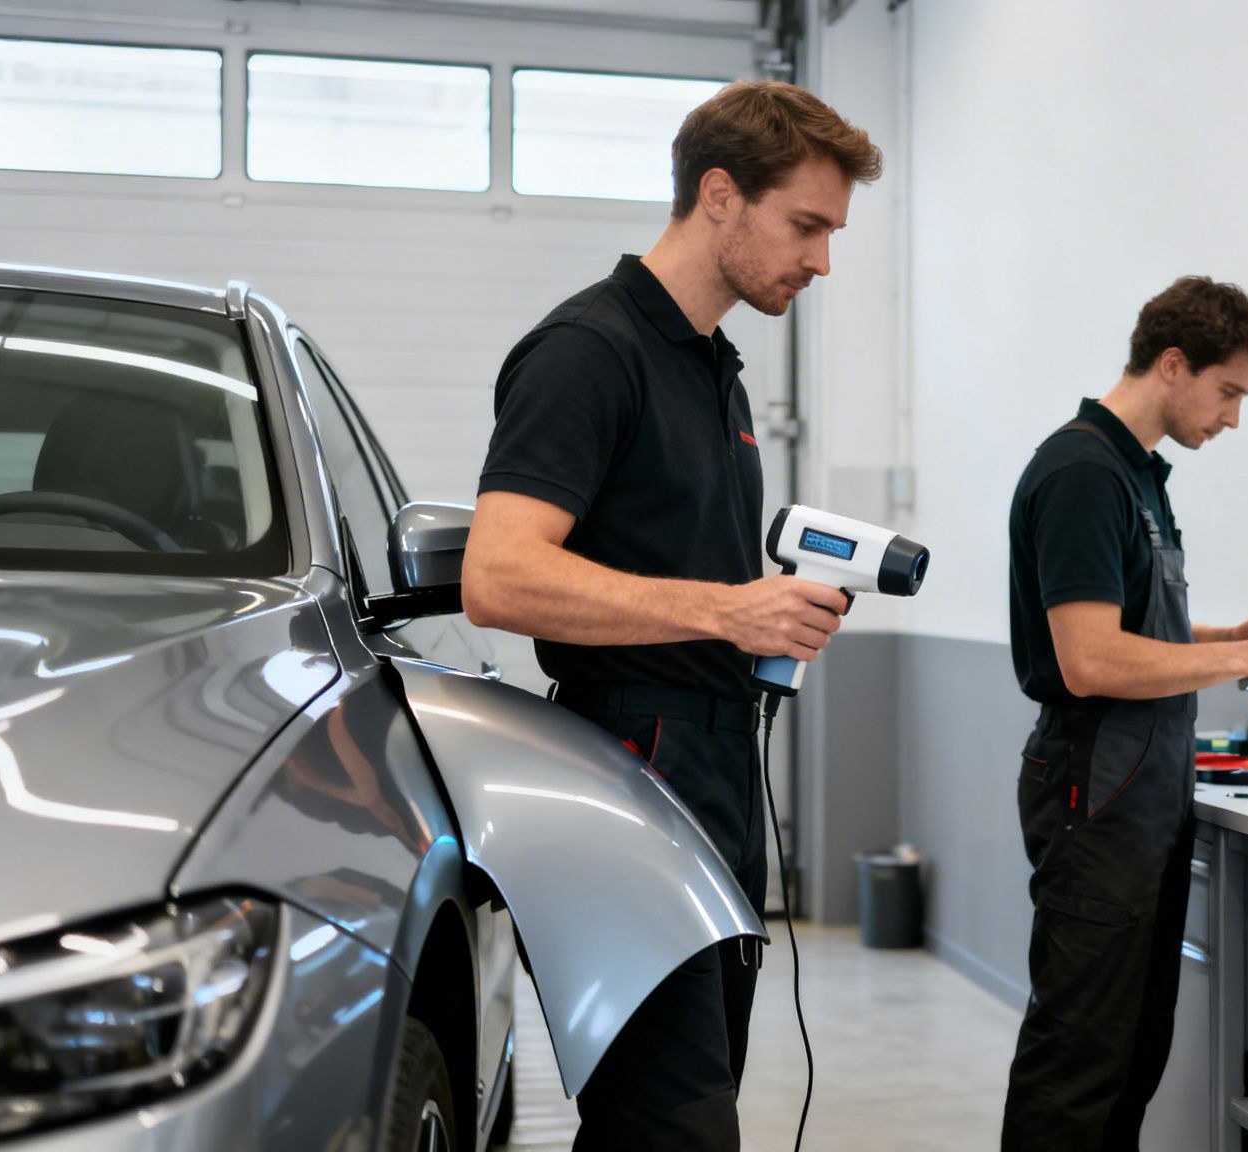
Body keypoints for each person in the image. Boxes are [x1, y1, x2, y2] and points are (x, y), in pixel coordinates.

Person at [460, 81, 881, 1150]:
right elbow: (498, 577)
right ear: (720, 196)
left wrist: (758, 618)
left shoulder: (717, 370)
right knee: (672, 1123)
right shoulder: (588, 353)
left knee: (686, 1104)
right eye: (807, 227)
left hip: (718, 770)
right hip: (629, 765)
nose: (821, 261)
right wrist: (727, 611)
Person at [1002, 276, 1248, 1150]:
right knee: (1079, 1062)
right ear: (1173, 365)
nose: (1232, 418)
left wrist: (1228, 629)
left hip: (1139, 793)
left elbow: (1124, 622)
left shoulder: (1137, 474)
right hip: (1096, 791)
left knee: (1131, 1052)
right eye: (1228, 392)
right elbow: (1090, 659)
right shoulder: (1081, 473)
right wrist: (1241, 660)